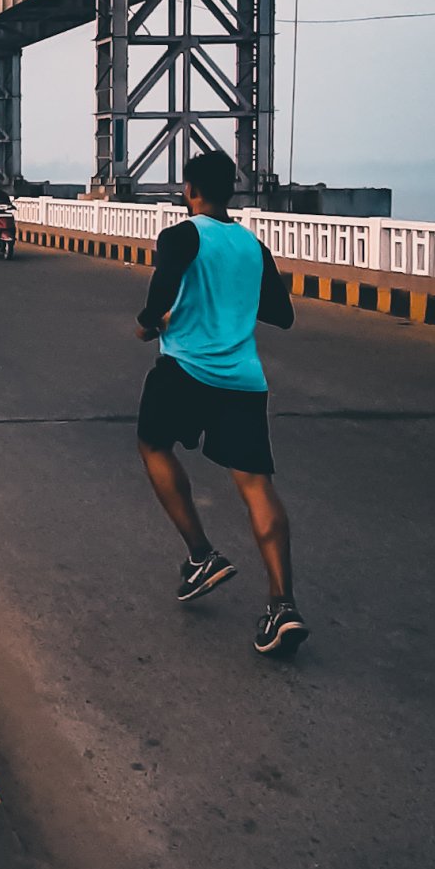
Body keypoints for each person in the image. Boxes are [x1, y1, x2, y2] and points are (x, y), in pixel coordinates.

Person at [134, 147, 305, 658]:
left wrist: (148, 325)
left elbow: (160, 296)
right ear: (230, 192)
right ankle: (283, 606)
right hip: (242, 380)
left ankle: (201, 554)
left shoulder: (181, 235)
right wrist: (233, 299)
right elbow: (282, 315)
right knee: (256, 486)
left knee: (153, 445)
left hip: (185, 369)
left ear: (190, 190)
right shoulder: (253, 246)